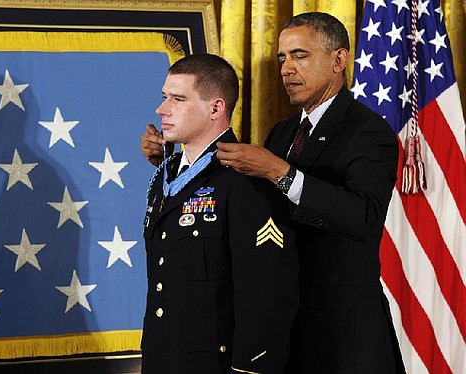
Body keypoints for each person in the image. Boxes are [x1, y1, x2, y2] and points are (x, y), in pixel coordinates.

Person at [140, 12, 406, 373]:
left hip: (341, 333)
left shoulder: (368, 132)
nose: (286, 69)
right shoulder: (282, 133)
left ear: (338, 60)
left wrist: (280, 171)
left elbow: (364, 217)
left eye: (300, 56)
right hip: (286, 329)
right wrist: (171, 166)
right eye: (282, 58)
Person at [140, 53, 299, 374]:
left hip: (216, 363)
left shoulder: (246, 178)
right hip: (163, 357)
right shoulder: (166, 174)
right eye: (164, 97)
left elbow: (266, 293)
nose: (162, 109)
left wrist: (250, 368)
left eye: (178, 99)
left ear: (216, 108)